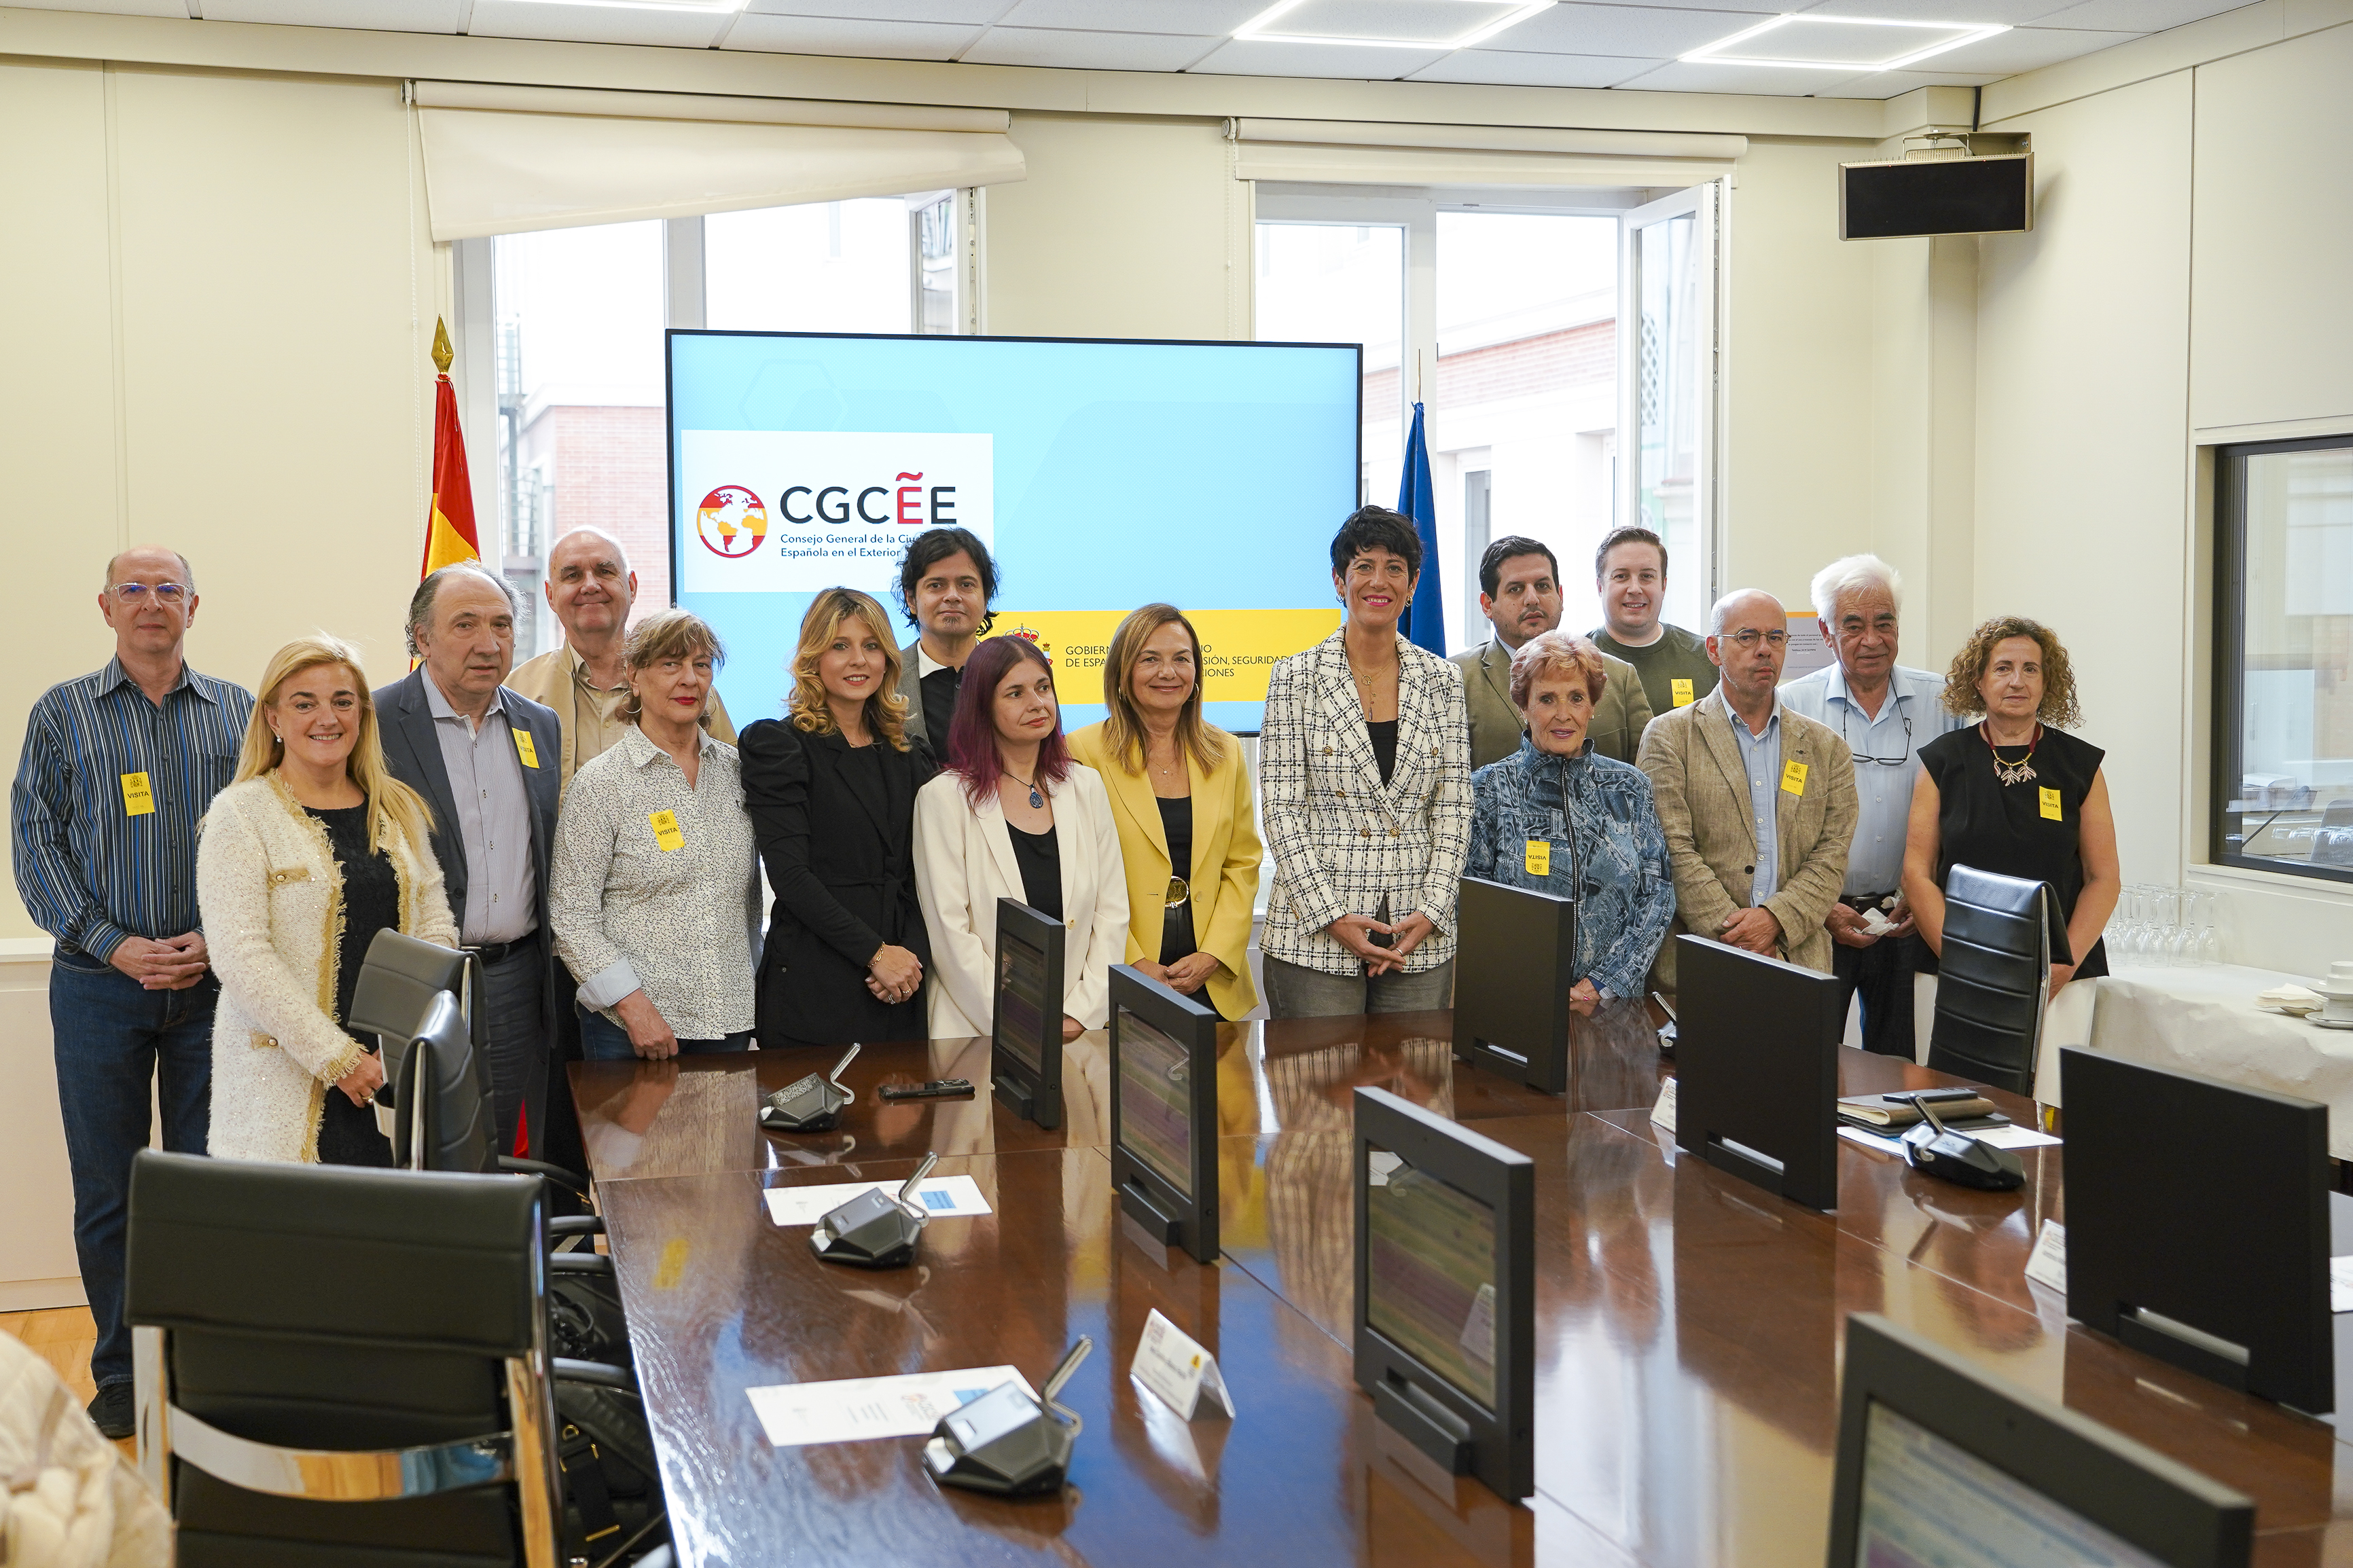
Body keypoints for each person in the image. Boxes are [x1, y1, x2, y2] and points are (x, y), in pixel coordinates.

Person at [9, 546, 253, 1439]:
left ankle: (195, 1364)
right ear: (105, 608)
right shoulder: (62, 714)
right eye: (134, 591)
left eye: (168, 590)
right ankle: (121, 1371)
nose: (152, 605)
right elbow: (37, 847)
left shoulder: (238, 712)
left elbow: (266, 834)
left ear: (195, 605)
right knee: (108, 1188)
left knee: (202, 1187)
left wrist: (217, 936)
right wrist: (117, 948)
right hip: (97, 990)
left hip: (212, 985)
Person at [200, 638, 457, 1167]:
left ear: (362, 714)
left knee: (386, 1242)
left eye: (343, 701)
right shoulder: (240, 816)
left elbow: (436, 923)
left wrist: (406, 1043)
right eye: (304, 702)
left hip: (389, 1079)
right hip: (285, 1081)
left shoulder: (398, 807)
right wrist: (340, 1060)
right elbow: (241, 959)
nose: (327, 717)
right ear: (273, 716)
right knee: (293, 1245)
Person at [375, 564, 563, 1154]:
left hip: (513, 978)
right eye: (466, 625)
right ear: (422, 637)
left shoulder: (539, 724)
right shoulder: (375, 722)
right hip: (418, 975)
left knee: (498, 1151)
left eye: (502, 625)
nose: (489, 643)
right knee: (420, 1153)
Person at [1259, 506, 1472, 1018]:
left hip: (1416, 933)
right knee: (1317, 1095)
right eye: (1363, 566)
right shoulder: (1294, 678)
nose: (1379, 581)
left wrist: (1433, 909)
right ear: (1339, 581)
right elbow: (1282, 812)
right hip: (1315, 934)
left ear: (1414, 583)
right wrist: (1331, 916)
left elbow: (1454, 808)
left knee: (1413, 1090)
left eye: (1395, 567)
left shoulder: (1443, 681)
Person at [552, 610, 759, 1059]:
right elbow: (571, 915)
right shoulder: (601, 783)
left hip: (729, 1022)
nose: (689, 679)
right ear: (634, 674)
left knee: (728, 1133)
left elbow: (746, 903)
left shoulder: (739, 773)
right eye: (671, 664)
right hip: (630, 1030)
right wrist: (633, 1005)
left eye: (701, 665)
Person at [1779, 555, 1961, 1057]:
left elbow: (1963, 811)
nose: (1872, 639)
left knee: (1900, 1071)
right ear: (1826, 631)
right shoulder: (1792, 705)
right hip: (1820, 921)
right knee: (1807, 1062)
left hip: (1908, 921)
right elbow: (1772, 823)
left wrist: (1925, 892)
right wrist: (1819, 907)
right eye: (1853, 626)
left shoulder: (1944, 703)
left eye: (1885, 624)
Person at [740, 587, 937, 1049]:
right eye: (840, 645)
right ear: (814, 658)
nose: (859, 660)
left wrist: (909, 959)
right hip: (817, 982)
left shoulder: (911, 753)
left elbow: (926, 874)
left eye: (871, 646)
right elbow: (790, 875)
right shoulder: (779, 745)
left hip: (901, 985)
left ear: (888, 659)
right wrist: (875, 954)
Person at [913, 634, 1128, 1040]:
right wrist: (1021, 1022)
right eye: (1015, 693)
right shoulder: (942, 798)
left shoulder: (1086, 785)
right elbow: (949, 935)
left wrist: (1082, 1013)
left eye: (1043, 688)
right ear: (982, 707)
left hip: (1076, 1027)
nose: (1037, 703)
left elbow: (1112, 912)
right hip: (976, 1028)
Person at [1637, 589, 1858, 983]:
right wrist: (1739, 935)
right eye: (1747, 637)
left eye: (1776, 638)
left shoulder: (1828, 749)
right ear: (1714, 650)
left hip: (1797, 961)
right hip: (1700, 961)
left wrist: (1774, 921)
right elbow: (1671, 848)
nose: (1764, 650)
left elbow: (1831, 855)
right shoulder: (1669, 736)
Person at [1903, 617, 2120, 1000]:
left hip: (2059, 974)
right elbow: (1917, 874)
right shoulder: (1942, 762)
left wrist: (2063, 966)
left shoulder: (2080, 766)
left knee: (2052, 1065)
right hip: (1952, 970)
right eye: (2003, 669)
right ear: (1978, 681)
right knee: (1945, 1065)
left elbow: (2102, 877)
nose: (2017, 681)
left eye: (2030, 669)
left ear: (2046, 682)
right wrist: (1962, 963)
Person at [1068, 604, 1265, 1020]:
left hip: (1209, 981)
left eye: (1181, 659)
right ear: (1123, 672)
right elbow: (1079, 875)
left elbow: (1243, 862)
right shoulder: (1083, 752)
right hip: (1119, 976)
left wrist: (1214, 954)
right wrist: (1134, 961)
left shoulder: (1226, 752)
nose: (1168, 672)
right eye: (1150, 659)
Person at [1466, 631, 1675, 1004]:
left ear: (1592, 705)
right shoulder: (1489, 789)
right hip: (1518, 1001)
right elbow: (1477, 905)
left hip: (1613, 1009)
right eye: (1547, 699)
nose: (1563, 715)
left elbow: (1657, 896)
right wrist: (1534, 987)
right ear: (1524, 707)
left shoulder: (1628, 787)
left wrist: (1602, 984)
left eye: (1576, 698)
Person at [508, 526, 737, 793]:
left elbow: (730, 789)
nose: (591, 585)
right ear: (550, 595)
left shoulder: (691, 693)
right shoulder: (518, 694)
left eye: (605, 572)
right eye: (572, 575)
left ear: (632, 586)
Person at [1452, 536, 1654, 768]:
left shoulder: (1620, 677)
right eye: (1516, 589)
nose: (1532, 599)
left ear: (1560, 596)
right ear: (1487, 604)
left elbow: (1646, 778)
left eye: (1542, 586)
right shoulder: (1457, 679)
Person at [1589, 525, 1719, 720]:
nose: (1634, 589)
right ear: (1600, 587)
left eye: (1647, 576)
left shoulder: (1707, 660)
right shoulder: (1574, 661)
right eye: (1621, 576)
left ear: (1663, 586)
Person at [893, 526, 999, 753]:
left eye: (966, 585)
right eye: (936, 585)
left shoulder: (1018, 674)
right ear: (911, 599)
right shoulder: (883, 679)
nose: (952, 596)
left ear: (986, 597)